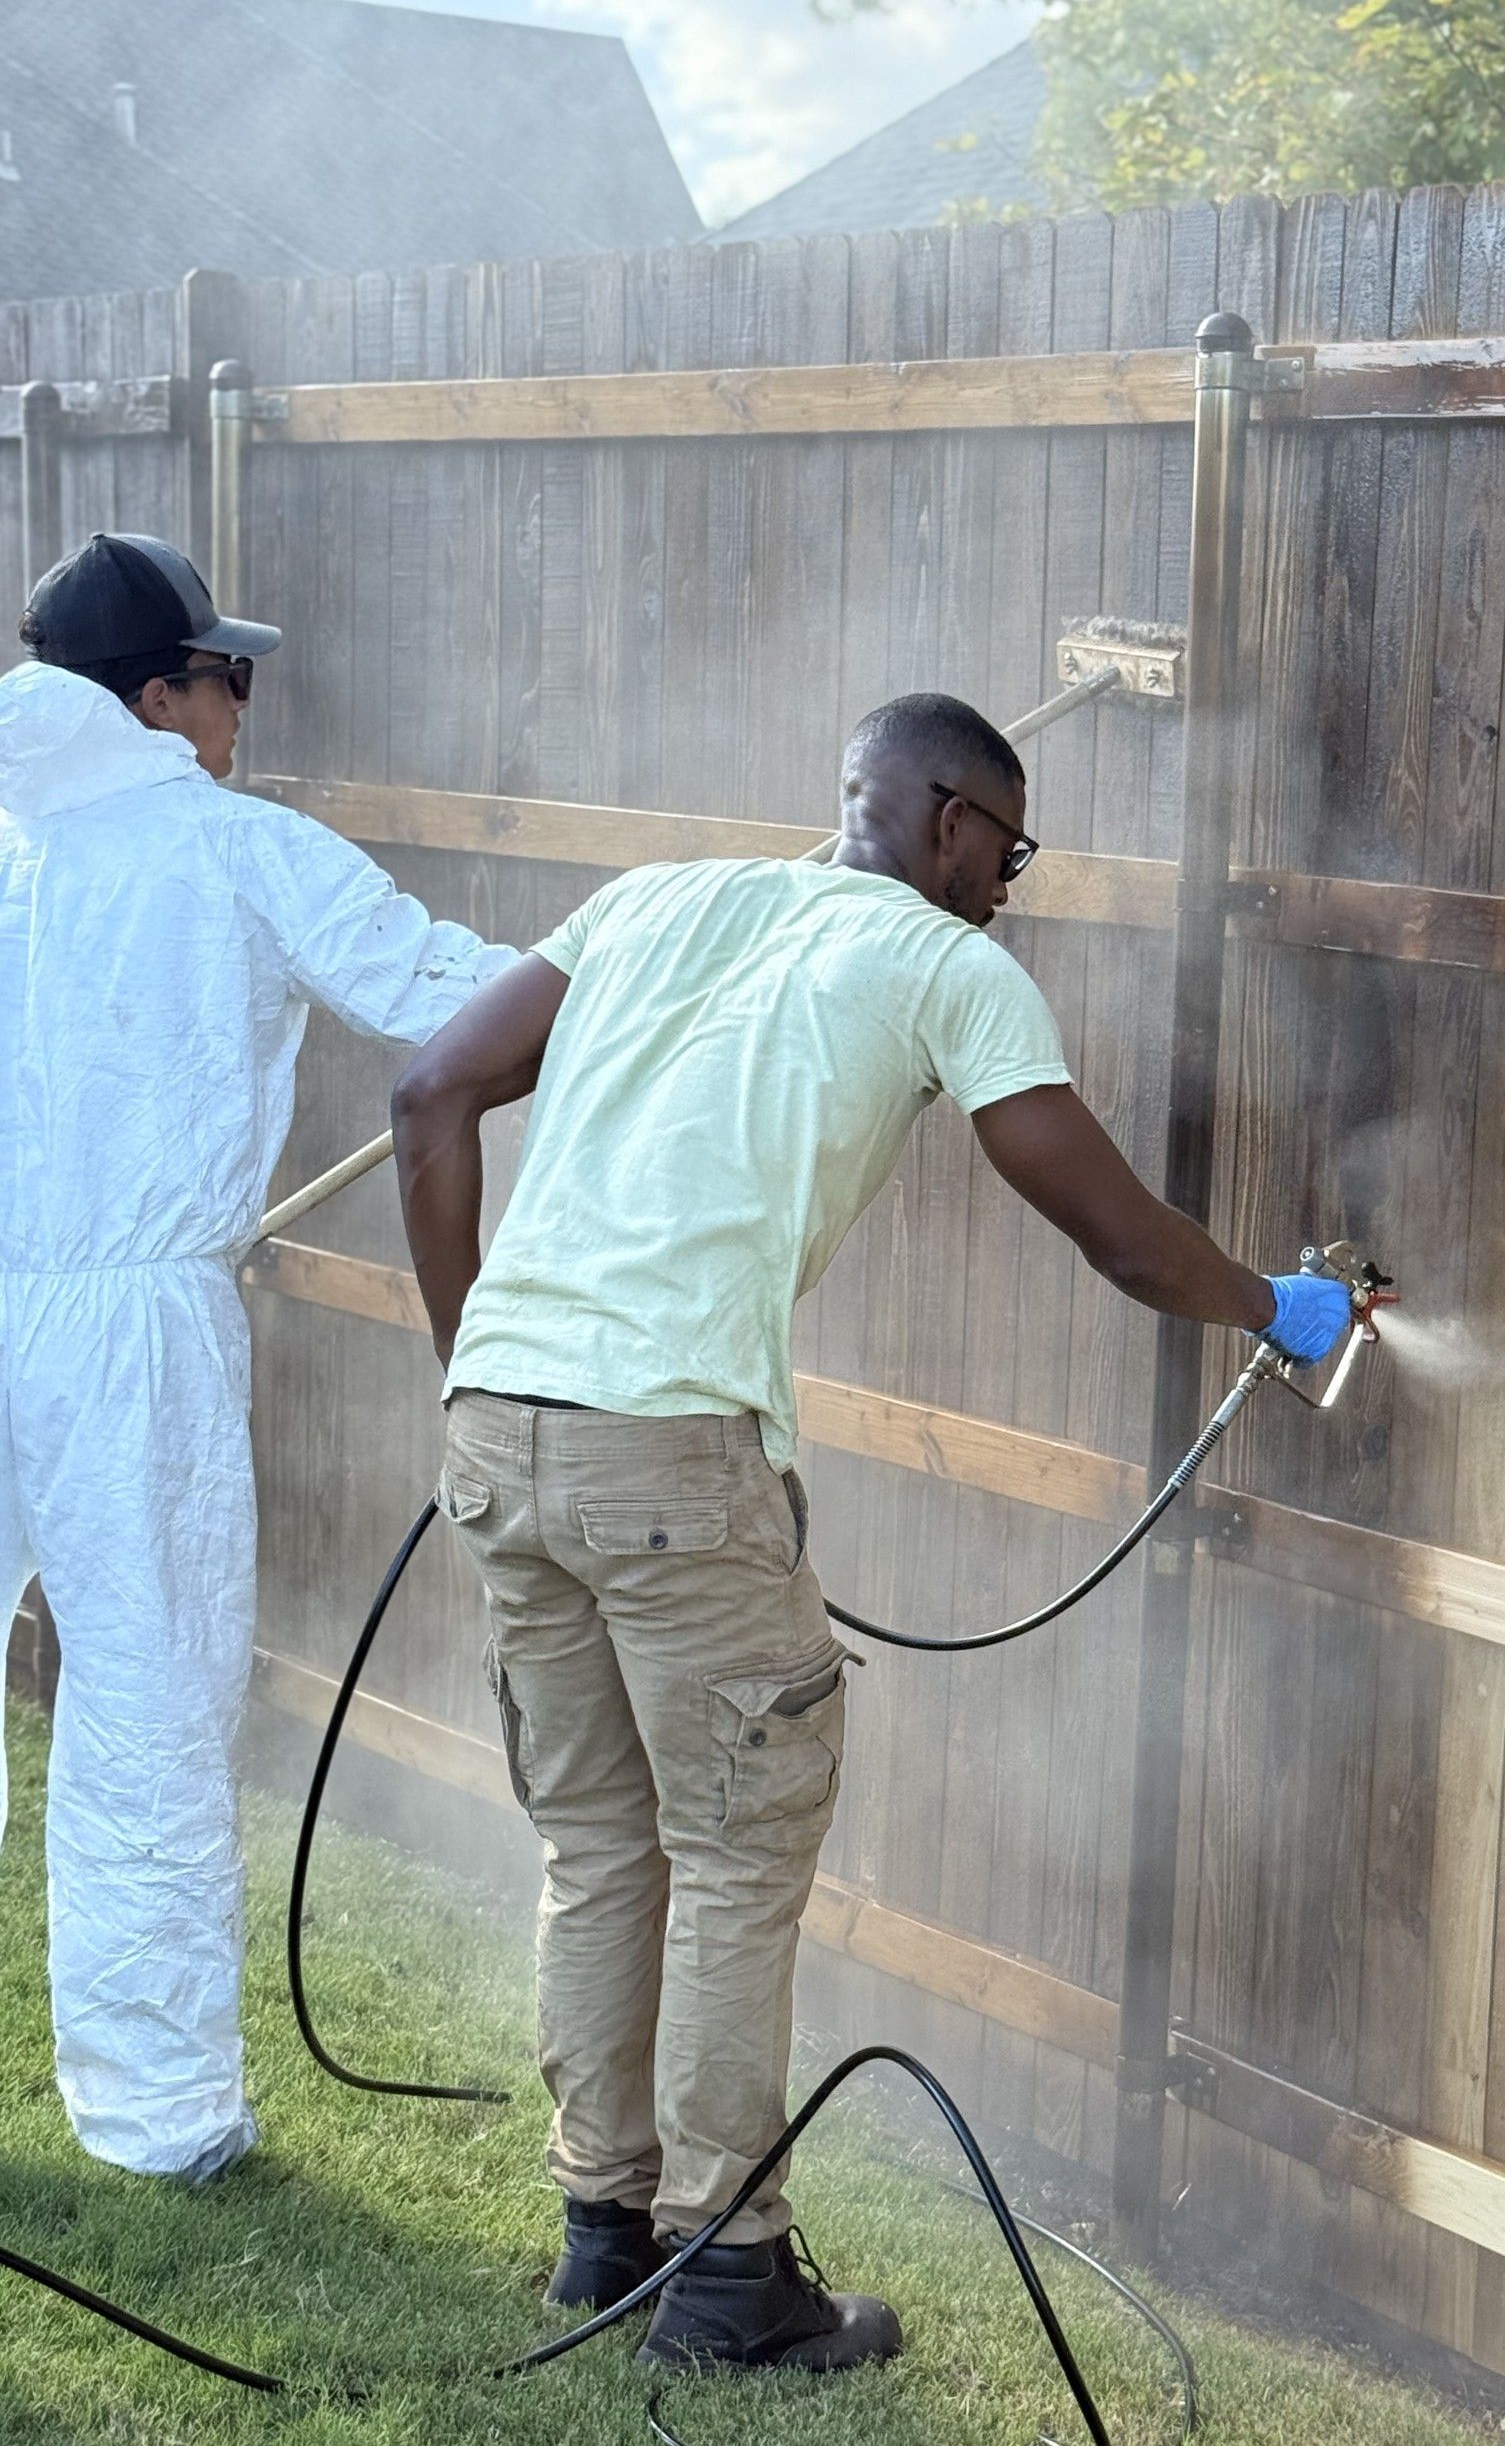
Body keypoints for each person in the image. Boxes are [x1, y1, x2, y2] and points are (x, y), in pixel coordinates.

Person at [390, 690, 1349, 2377]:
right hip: (672, 1449)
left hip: (503, 1433)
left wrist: (483, 1358)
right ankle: (725, 2276)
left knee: (603, 1847)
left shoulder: (651, 900)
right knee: (739, 1858)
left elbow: (429, 1096)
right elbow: (1117, 1237)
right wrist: (1276, 1306)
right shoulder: (945, 965)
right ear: (954, 822)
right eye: (1011, 854)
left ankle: (600, 2232)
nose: (1008, 890)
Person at [0, 531, 517, 2185]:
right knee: (143, 1709)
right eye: (229, 675)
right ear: (156, 700)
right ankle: (158, 2127)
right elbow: (449, 993)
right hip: (124, 1337)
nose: (245, 702)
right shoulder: (232, 849)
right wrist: (663, 961)